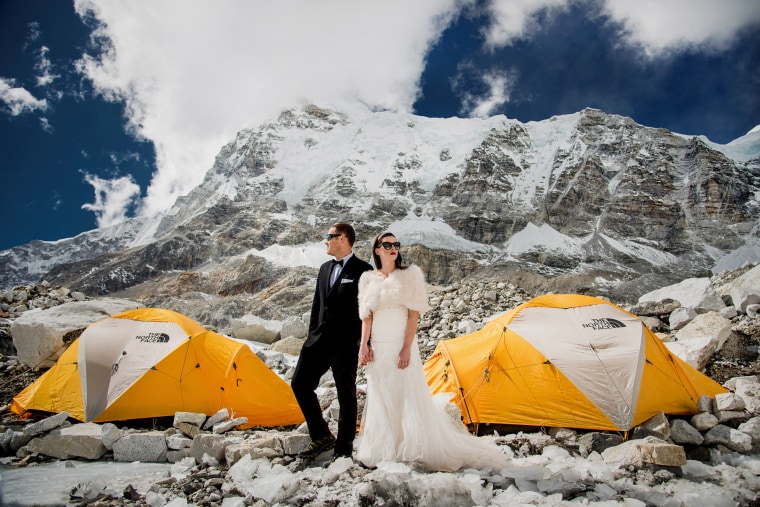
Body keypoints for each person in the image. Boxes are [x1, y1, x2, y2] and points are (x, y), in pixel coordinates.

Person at [355, 231, 507, 471]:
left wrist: (406, 349)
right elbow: (366, 316)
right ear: (377, 249)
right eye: (387, 244)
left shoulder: (410, 275)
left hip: (400, 346)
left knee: (405, 394)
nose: (393, 247)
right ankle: (383, 449)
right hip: (378, 347)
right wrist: (364, 345)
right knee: (381, 395)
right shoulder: (367, 279)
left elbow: (413, 315)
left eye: (396, 243)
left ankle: (409, 448)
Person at [291, 222, 373, 460]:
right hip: (317, 342)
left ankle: (343, 449)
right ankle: (321, 436)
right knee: (299, 385)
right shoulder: (325, 268)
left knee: (345, 394)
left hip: (345, 345)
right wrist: (310, 335)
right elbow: (317, 304)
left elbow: (367, 310)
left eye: (330, 236)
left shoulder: (363, 270)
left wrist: (364, 343)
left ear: (343, 239)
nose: (325, 240)